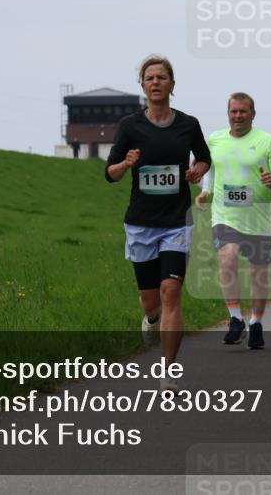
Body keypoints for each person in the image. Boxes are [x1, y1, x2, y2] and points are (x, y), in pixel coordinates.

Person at [105, 55, 210, 393]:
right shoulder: (130, 126)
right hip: (141, 224)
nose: (155, 82)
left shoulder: (188, 124)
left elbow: (204, 157)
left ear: (172, 84)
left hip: (177, 222)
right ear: (143, 85)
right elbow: (110, 174)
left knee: (171, 292)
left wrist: (198, 171)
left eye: (161, 77)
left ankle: (168, 372)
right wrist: (125, 162)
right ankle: (151, 320)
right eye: (150, 78)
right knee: (151, 301)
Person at [195, 92, 271, 350]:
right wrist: (205, 192)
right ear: (228, 114)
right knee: (227, 257)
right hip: (225, 215)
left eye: (243, 111)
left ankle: (256, 323)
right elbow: (211, 170)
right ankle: (235, 318)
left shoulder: (267, 141)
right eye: (234, 111)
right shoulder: (215, 139)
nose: (238, 116)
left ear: (252, 114)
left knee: (259, 275)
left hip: (257, 219)